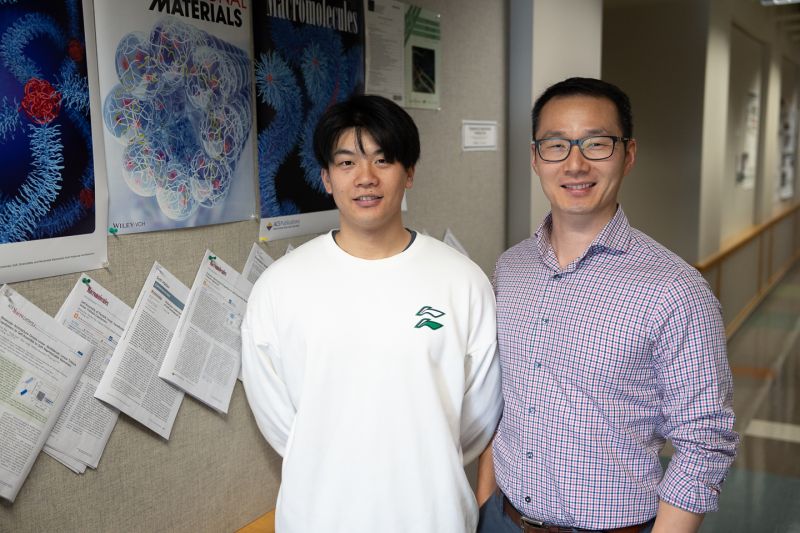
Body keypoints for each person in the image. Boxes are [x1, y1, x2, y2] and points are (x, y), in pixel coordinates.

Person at [476, 78, 739, 533]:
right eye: (556, 145)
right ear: (536, 158)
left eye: (597, 144)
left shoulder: (675, 289)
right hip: (504, 518)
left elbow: (704, 440)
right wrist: (485, 505)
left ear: (628, 154)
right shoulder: (509, 269)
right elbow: (499, 401)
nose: (575, 164)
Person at [241, 94, 502, 533]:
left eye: (383, 161)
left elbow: (478, 414)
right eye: (346, 164)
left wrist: (424, 455)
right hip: (319, 515)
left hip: (433, 515)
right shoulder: (280, 287)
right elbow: (283, 425)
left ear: (410, 173)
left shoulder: (461, 280)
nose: (365, 178)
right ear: (325, 178)